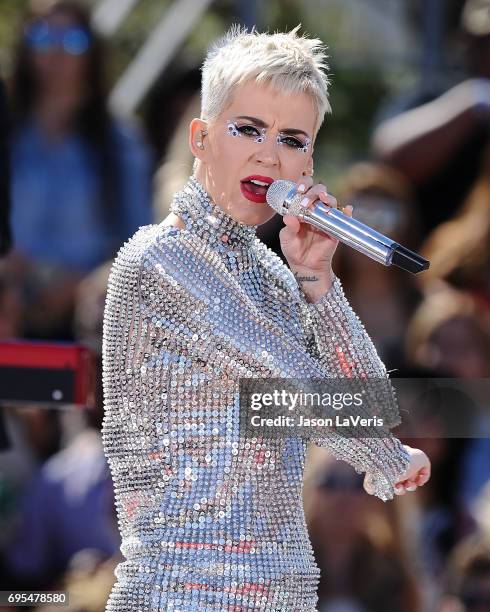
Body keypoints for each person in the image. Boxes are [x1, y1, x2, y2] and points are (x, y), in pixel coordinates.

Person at [102, 26, 431, 610]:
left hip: (283, 593)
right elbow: (285, 384)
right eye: (248, 129)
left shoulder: (274, 274)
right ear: (201, 138)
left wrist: (319, 283)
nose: (269, 153)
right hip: (181, 593)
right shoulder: (159, 261)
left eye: (292, 139)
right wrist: (386, 457)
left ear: (309, 159)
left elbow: (373, 404)